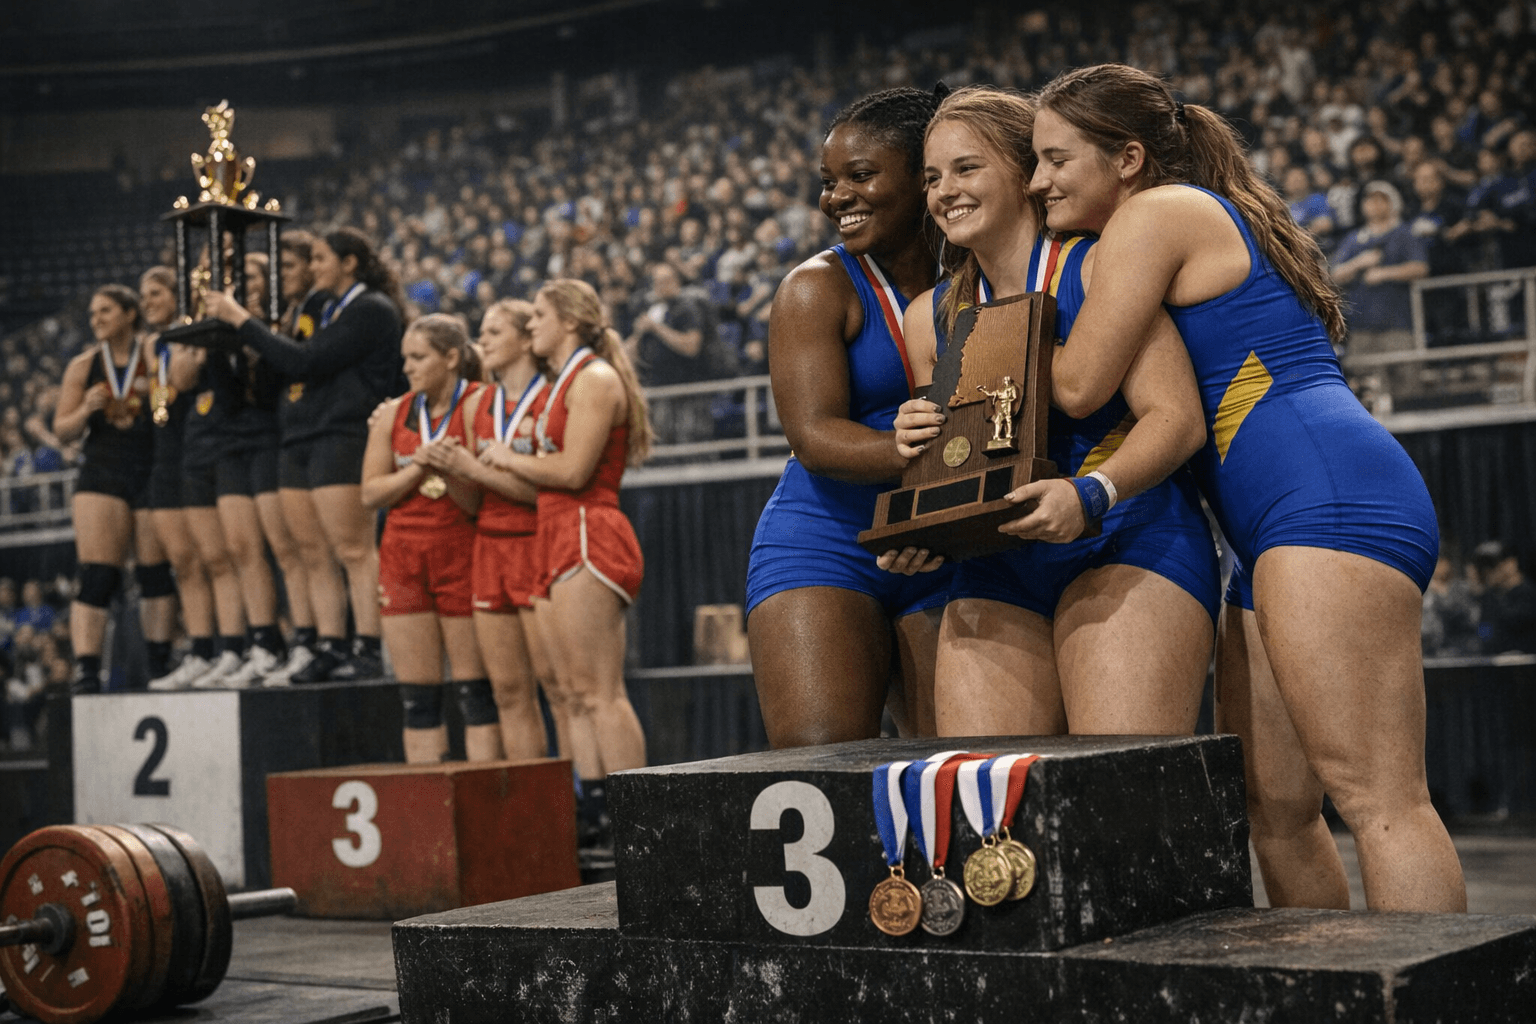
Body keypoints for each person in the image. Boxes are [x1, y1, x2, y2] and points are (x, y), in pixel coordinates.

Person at [1030, 63, 1465, 913]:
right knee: (1277, 810)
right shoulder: (1166, 215)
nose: (1037, 180)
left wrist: (963, 355)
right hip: (1278, 524)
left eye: (1054, 157)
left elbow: (1078, 385)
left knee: (1380, 800)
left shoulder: (1158, 212)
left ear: (1125, 158)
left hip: (1329, 499)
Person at [890, 86, 1216, 737]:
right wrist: (922, 511)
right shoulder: (928, 317)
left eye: (965, 168)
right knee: (991, 812)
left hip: (1124, 534)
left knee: (1119, 804)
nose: (943, 191)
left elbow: (1177, 419)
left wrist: (1091, 494)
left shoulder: (1099, 266)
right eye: (931, 178)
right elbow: (959, 456)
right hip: (997, 561)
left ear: (1026, 170)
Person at [744, 87, 951, 748]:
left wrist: (944, 503)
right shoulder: (816, 287)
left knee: (963, 775)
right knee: (822, 764)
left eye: (861, 176)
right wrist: (921, 459)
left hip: (949, 539)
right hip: (827, 541)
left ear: (926, 176)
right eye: (830, 183)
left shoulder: (984, 273)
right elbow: (814, 436)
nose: (837, 198)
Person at [478, 278, 651, 846]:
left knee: (601, 690)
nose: (532, 327)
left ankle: (636, 822)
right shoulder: (566, 382)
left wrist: (506, 457)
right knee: (573, 693)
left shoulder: (594, 379)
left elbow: (575, 472)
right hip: (554, 533)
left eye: (540, 317)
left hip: (586, 529)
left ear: (570, 323)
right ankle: (598, 810)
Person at [207, 226, 405, 682]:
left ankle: (370, 648)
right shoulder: (325, 309)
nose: (313, 268)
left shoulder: (370, 309)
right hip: (301, 435)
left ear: (349, 263)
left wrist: (242, 320)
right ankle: (332, 645)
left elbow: (306, 362)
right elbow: (282, 374)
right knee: (313, 552)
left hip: (344, 433)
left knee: (353, 549)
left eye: (319, 259)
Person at [361, 314, 499, 763]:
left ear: (452, 358)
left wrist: (451, 468)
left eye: (419, 357)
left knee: (474, 693)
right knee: (418, 699)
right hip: (402, 556)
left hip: (461, 552)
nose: (408, 368)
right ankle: (429, 817)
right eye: (406, 358)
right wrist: (420, 467)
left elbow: (477, 502)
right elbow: (370, 492)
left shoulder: (479, 403)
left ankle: (488, 810)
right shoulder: (395, 412)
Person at [436, 299, 560, 760]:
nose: (481, 341)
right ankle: (534, 805)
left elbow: (550, 493)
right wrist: (451, 472)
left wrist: (479, 470)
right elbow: (472, 501)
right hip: (489, 547)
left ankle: (579, 803)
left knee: (556, 687)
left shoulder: (553, 396)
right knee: (508, 690)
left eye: (492, 332)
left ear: (526, 339)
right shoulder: (477, 404)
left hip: (537, 543)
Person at [52, 285, 166, 692]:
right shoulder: (84, 366)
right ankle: (86, 671)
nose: (96, 319)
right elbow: (62, 430)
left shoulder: (153, 353)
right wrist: (85, 408)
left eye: (105, 311)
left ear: (129, 313)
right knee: (98, 574)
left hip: (149, 468)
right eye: (93, 313)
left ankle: (159, 665)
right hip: (102, 471)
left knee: (155, 574)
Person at [138, 266, 228, 689]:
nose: (147, 302)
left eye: (156, 293)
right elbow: (162, 397)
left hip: (198, 451)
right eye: (144, 295)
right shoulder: (156, 344)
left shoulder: (193, 334)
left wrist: (171, 380)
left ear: (178, 295)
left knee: (215, 558)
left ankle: (233, 645)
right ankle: (199, 649)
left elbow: (182, 382)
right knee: (184, 565)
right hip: (164, 456)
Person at [1471, 540, 1536, 655]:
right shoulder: (1489, 597)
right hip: (1495, 666)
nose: (1488, 571)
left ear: (1511, 563)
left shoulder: (1528, 594)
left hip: (1525, 665)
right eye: (1483, 568)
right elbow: (1484, 634)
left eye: (1493, 565)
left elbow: (1517, 622)